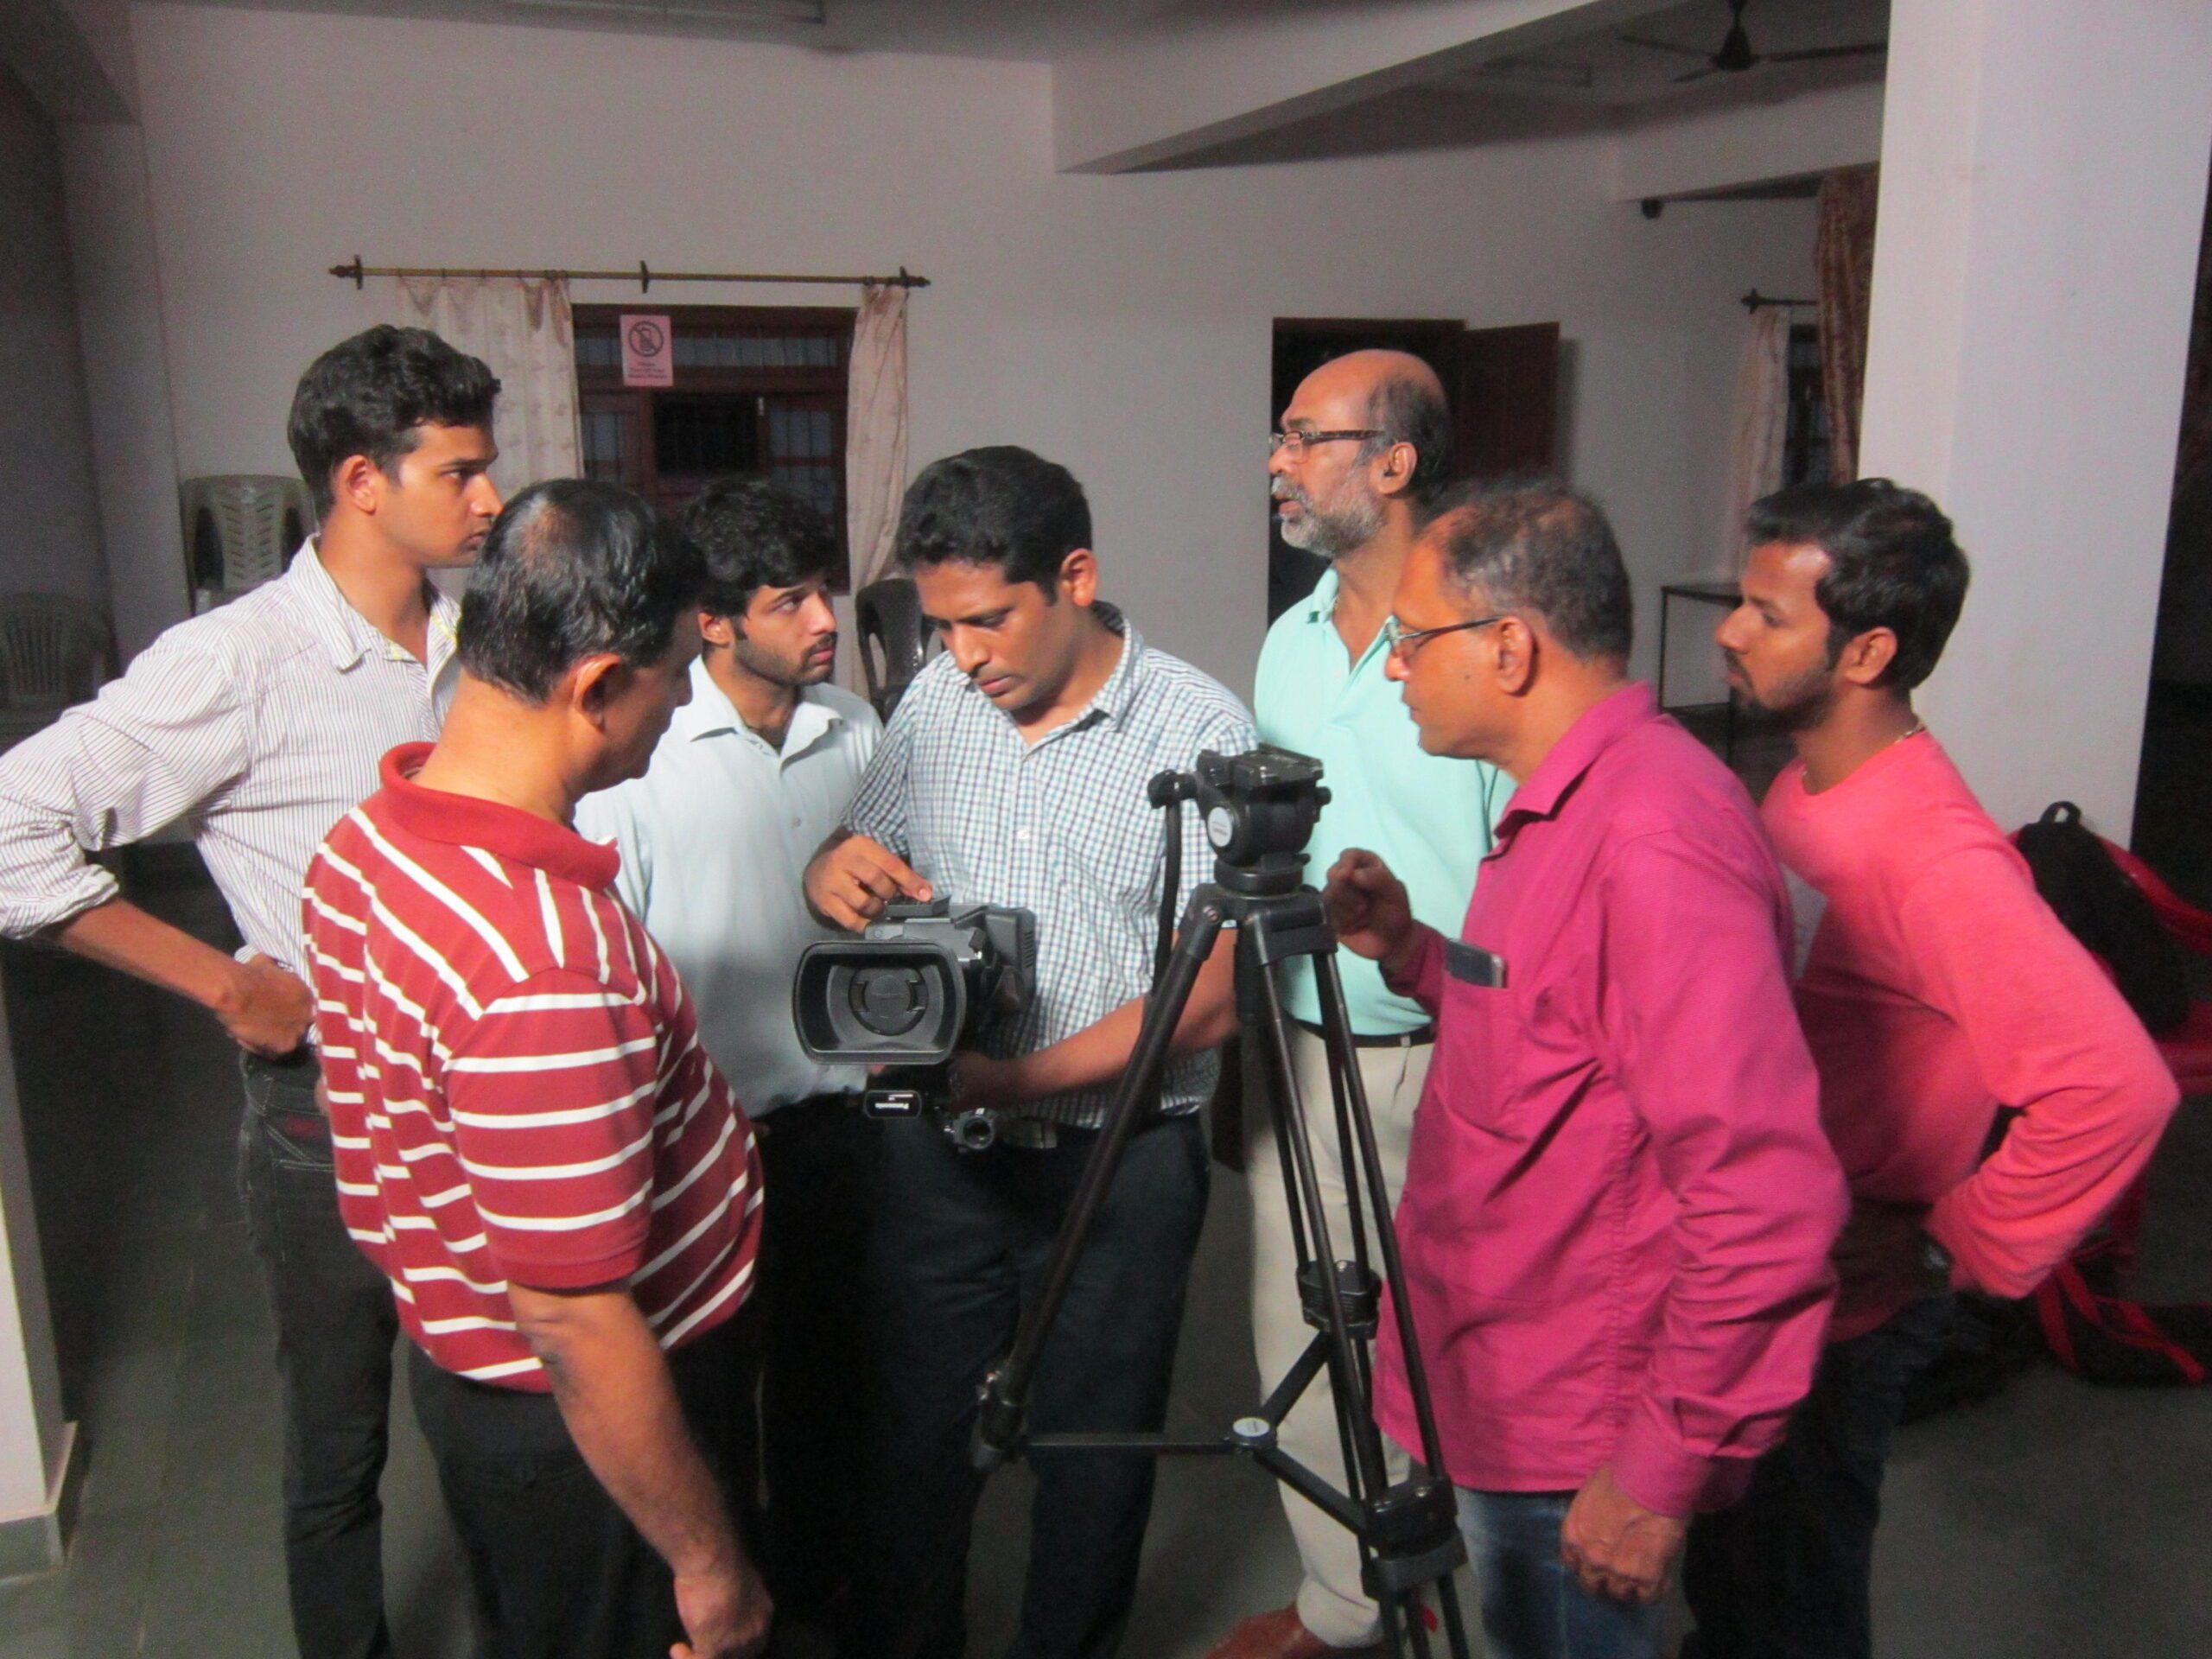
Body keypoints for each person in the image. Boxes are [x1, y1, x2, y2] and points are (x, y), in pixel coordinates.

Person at [0, 325, 499, 1659]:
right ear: (362, 482)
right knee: (337, 1445)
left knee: (499, 1423)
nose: (489, 498)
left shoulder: (478, 640)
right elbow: (10, 827)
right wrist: (224, 983)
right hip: (326, 1115)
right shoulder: (237, 660)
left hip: (483, 1099)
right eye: (461, 472)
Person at [1320, 482, 1847, 1659]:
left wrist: (1657, 1472)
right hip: (1497, 1378)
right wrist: (1413, 952)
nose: (1395, 667)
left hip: (1571, 1434)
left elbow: (1765, 1197)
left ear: (1508, 648)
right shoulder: (1568, 805)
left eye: (1413, 639)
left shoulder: (1653, 841)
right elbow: (1558, 1035)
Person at [1683, 480, 2179, 1659]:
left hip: (1844, 1307)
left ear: (1867, 652)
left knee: (1793, 1599)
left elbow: (2118, 1087)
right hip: (1765, 1263)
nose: (1729, 632)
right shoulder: (1808, 784)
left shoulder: (1934, 856)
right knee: (1732, 1577)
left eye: (1767, 614)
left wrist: (1951, 1244)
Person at [302, 478, 771, 1659]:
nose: (685, 702)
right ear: (597, 685)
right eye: (677, 674)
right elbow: (572, 1319)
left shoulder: (364, 842)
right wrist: (708, 1567)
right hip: (594, 1434)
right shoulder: (541, 959)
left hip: (476, 1377)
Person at [802, 445, 1257, 1659]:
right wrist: (831, 869)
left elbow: (1213, 998)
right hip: (939, 1162)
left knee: (1092, 1461)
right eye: (942, 624)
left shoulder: (1200, 728)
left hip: (1120, 1164)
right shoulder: (936, 702)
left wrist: (1013, 1080)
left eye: (990, 620)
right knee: (915, 1446)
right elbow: (862, 845)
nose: (964, 654)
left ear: (1076, 577)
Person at [1210, 349, 1509, 1659]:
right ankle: (1347, 1601)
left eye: (1302, 437)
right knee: (1305, 1324)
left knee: (1465, 1347)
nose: (1276, 463)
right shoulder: (1288, 640)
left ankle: (1475, 1598)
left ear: (1393, 463)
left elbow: (1530, 873)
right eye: (1278, 437)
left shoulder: (1486, 635)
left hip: (1454, 1054)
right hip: (1300, 1044)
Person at [575, 474, 882, 1624]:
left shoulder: (856, 729)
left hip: (845, 1128)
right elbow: (613, 961)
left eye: (825, 592)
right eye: (790, 601)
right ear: (711, 620)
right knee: (704, 1407)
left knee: (832, 1389)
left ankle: (820, 1596)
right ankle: (725, 1605)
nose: (824, 620)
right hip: (706, 1154)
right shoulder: (643, 756)